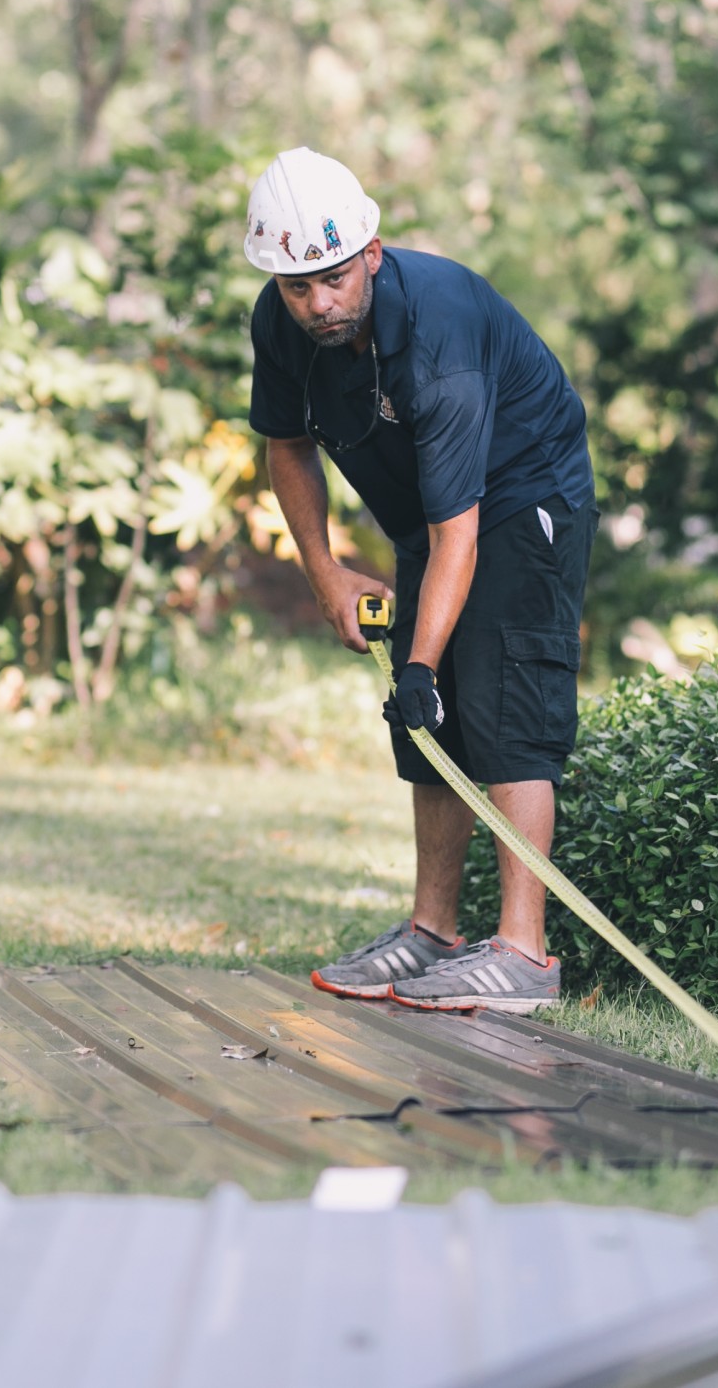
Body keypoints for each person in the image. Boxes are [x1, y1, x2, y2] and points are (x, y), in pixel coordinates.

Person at [243, 147, 596, 1014]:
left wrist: (420, 666)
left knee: (498, 697)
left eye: (331, 277)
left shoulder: (437, 326)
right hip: (430, 522)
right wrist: (323, 570)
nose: (317, 303)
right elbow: (286, 442)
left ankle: (525, 953)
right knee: (423, 728)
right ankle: (431, 932)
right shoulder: (280, 320)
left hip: (521, 498)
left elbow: (461, 530)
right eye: (296, 286)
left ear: (369, 251)